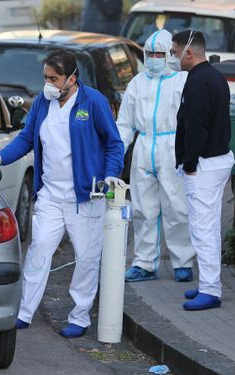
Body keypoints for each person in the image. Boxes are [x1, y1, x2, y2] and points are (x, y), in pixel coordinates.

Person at [0, 50, 124, 338]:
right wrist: (1, 158)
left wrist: (110, 176)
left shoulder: (94, 103)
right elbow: (27, 137)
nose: (47, 84)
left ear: (72, 78)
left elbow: (114, 144)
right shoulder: (42, 102)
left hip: (86, 197)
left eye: (54, 78)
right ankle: (24, 312)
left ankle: (80, 316)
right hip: (50, 194)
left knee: (86, 258)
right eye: (45, 78)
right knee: (39, 250)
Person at [117, 29, 196, 283]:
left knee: (177, 207)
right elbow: (125, 123)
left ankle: (182, 261)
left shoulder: (182, 80)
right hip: (144, 145)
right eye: (149, 53)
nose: (152, 58)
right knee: (143, 208)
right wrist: (119, 151)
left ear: (169, 54)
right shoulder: (137, 83)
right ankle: (144, 263)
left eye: (158, 53)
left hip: (171, 145)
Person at [169, 30, 234, 310]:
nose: (173, 57)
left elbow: (196, 126)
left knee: (202, 228)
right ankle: (209, 282)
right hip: (217, 160)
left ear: (189, 53)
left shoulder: (197, 82)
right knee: (206, 225)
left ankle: (210, 289)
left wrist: (190, 163)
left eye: (174, 52)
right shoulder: (214, 77)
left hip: (204, 165)